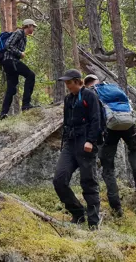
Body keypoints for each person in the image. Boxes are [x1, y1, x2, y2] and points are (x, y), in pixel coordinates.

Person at [87, 74, 136, 217]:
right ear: (98, 81)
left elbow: (92, 117)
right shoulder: (112, 88)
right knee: (135, 148)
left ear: (87, 84)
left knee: (108, 168)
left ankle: (116, 207)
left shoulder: (90, 92)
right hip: (128, 123)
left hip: (110, 127)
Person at [53, 69, 104, 229]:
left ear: (77, 81)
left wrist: (90, 141)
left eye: (69, 82)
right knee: (59, 180)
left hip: (86, 143)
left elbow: (96, 119)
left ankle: (93, 222)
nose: (67, 86)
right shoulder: (68, 99)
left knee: (88, 182)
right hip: (70, 143)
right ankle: (78, 213)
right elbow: (66, 122)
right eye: (66, 83)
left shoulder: (90, 95)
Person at [0, 19, 38, 119]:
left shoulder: (24, 37)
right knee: (30, 75)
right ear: (28, 26)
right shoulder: (19, 33)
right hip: (10, 61)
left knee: (11, 88)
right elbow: (8, 45)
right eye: (33, 26)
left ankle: (3, 113)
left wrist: (19, 54)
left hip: (9, 62)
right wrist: (20, 53)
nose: (34, 29)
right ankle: (26, 105)